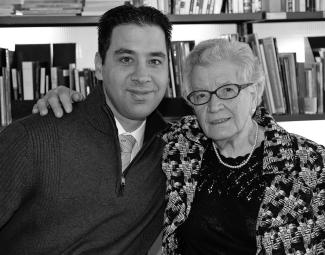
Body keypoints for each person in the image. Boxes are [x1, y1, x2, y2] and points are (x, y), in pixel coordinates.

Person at [36, 39, 325, 254]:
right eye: (201, 95)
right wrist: (68, 101)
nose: (214, 107)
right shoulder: (180, 143)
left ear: (256, 91)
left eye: (227, 91)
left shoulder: (311, 163)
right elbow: (117, 120)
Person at [0, 5, 172, 254]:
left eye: (155, 60)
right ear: (100, 66)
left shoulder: (177, 152)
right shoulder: (32, 139)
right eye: (126, 59)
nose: (142, 75)